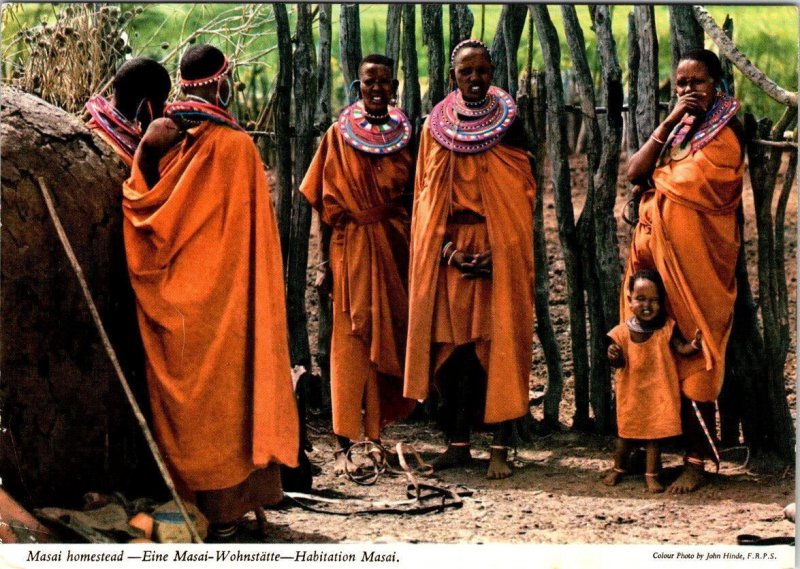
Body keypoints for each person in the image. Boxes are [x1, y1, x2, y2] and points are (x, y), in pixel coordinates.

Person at [122, 44, 299, 539]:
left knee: (186, 406)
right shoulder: (238, 147)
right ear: (223, 84)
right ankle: (223, 514)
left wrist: (145, 154)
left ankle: (188, 507)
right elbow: (254, 239)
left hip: (174, 301)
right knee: (225, 403)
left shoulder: (162, 133)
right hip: (225, 301)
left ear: (183, 83)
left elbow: (140, 201)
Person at [404, 39, 536, 480]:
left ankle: (499, 447)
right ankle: (458, 444)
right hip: (449, 253)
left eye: (483, 71)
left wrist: (501, 252)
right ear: (453, 77)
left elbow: (522, 196)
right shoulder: (433, 127)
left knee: (497, 348)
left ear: (493, 72)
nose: (476, 79)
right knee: (452, 352)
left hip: (499, 247)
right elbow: (423, 196)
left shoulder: (512, 125)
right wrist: (449, 252)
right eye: (466, 72)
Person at [624, 49, 744, 494]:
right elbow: (636, 169)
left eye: (697, 82)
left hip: (700, 269)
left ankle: (697, 462)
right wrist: (671, 119)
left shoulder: (726, 136)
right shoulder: (678, 133)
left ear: (717, 85)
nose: (689, 90)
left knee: (697, 352)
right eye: (681, 84)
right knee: (656, 351)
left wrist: (650, 187)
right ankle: (655, 452)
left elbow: (702, 186)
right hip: (658, 271)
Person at [299, 54, 415, 474]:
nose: (377, 89)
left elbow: (413, 198)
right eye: (369, 83)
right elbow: (322, 206)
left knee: (388, 333)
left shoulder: (407, 137)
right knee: (350, 339)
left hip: (392, 247)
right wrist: (323, 265)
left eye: (385, 82)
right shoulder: (337, 136)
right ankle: (347, 438)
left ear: (395, 86)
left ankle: (377, 434)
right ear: (358, 86)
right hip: (349, 249)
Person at [605, 269, 702, 493]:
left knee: (653, 439)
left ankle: (652, 475)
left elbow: (681, 348)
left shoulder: (666, 328)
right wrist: (614, 355)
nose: (647, 305)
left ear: (662, 302)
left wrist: (695, 345)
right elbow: (618, 363)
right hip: (632, 394)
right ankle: (618, 469)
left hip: (658, 395)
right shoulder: (620, 333)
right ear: (629, 300)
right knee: (625, 437)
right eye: (640, 299)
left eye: (654, 300)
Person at [85, 57, 171, 166]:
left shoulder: (92, 127)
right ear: (145, 105)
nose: (163, 112)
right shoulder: (127, 160)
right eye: (160, 105)